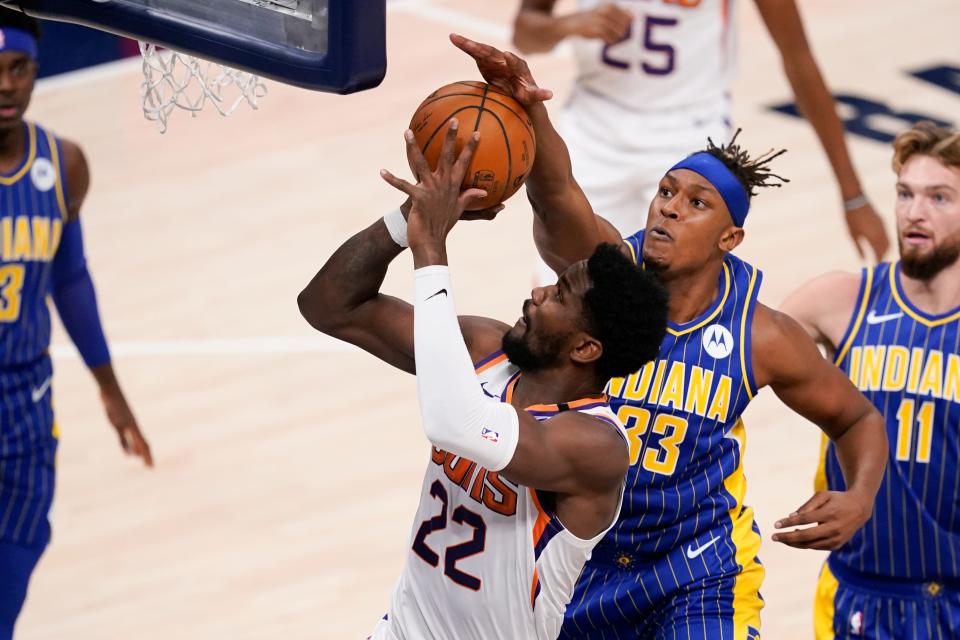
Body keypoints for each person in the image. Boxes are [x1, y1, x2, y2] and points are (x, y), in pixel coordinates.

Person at [451, 34, 889, 639]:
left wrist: (859, 495)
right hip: (577, 560)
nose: (668, 209)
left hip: (698, 569)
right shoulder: (604, 273)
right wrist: (531, 108)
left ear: (729, 239)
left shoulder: (759, 334)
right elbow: (555, 198)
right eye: (664, 192)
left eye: (696, 202)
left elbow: (857, 418)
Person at [297, 120, 668, 639]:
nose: (537, 295)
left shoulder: (595, 445)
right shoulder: (486, 349)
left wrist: (432, 251)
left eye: (559, 296)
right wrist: (412, 218)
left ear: (587, 348)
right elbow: (328, 305)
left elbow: (455, 423)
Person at [512, 0, 890, 279]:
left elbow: (799, 59)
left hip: (689, 132)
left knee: (674, 293)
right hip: (595, 129)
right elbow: (525, 32)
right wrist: (568, 25)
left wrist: (852, 193)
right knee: (567, 289)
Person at [0, 10, 152, 638]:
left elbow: (70, 279)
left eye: (19, 69)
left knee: (14, 567)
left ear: (37, 74)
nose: (6, 85)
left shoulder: (62, 164)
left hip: (25, 406)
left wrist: (111, 391)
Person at [781, 121, 960, 639]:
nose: (914, 212)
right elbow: (731, 352)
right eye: (905, 194)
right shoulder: (844, 300)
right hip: (858, 595)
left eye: (939, 198)